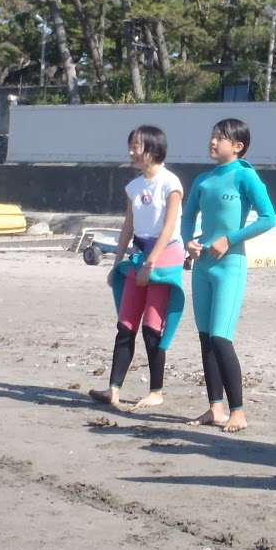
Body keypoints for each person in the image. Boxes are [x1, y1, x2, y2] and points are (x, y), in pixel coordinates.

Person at [181, 118, 276, 433]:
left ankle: (238, 411)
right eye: (212, 136)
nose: (212, 141)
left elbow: (268, 218)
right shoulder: (203, 180)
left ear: (237, 146)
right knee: (206, 338)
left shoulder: (245, 176)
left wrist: (230, 239)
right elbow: (187, 216)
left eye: (219, 138)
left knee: (221, 338)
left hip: (230, 266)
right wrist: (188, 241)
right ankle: (215, 408)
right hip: (202, 266)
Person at [89, 125, 185, 411]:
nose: (131, 152)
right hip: (139, 255)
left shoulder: (170, 184)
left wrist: (151, 263)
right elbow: (128, 226)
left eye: (136, 146)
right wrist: (117, 262)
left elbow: (169, 228)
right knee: (125, 325)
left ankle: (156, 391)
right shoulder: (134, 187)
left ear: (153, 150)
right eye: (130, 145)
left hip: (164, 257)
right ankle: (113, 390)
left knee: (152, 329)